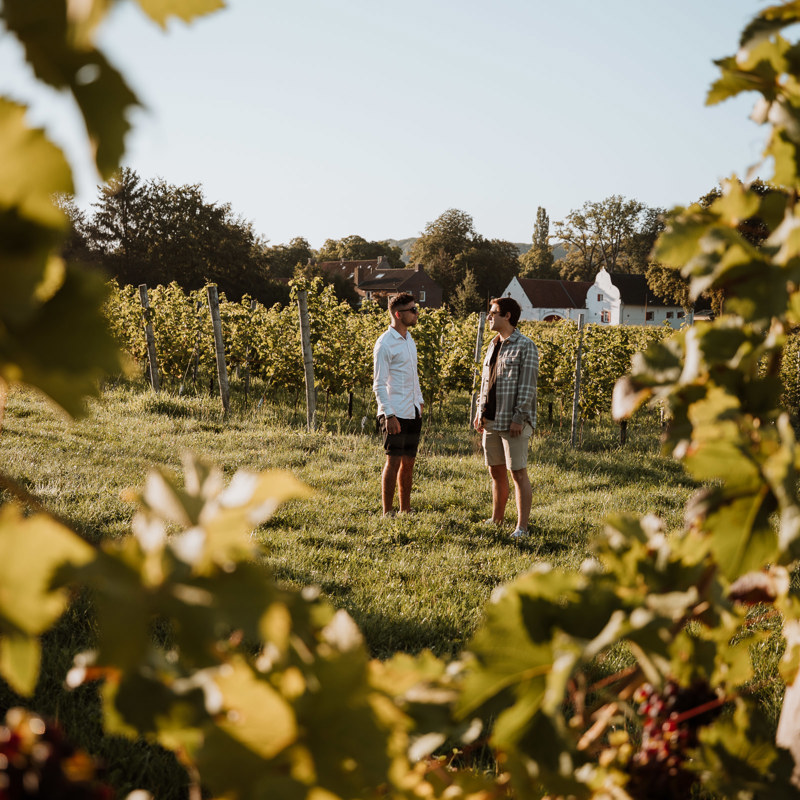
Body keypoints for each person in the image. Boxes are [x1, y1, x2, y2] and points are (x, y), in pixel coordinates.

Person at [473, 296, 539, 539]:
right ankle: (497, 519)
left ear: (507, 316)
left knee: (517, 472)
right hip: (490, 420)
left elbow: (528, 386)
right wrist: (480, 411)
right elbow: (485, 383)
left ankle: (522, 527)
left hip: (512, 421)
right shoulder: (492, 344)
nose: (489, 317)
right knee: (496, 471)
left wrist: (519, 417)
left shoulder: (525, 346)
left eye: (493, 312)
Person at [373, 293, 425, 516]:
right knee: (393, 462)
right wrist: (389, 415)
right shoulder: (385, 344)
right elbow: (379, 384)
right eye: (412, 310)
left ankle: (406, 509)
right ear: (398, 314)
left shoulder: (409, 339)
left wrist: (420, 401)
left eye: (416, 308)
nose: (416, 313)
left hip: (412, 410)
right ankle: (387, 512)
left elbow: (413, 375)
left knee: (409, 462)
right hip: (394, 412)